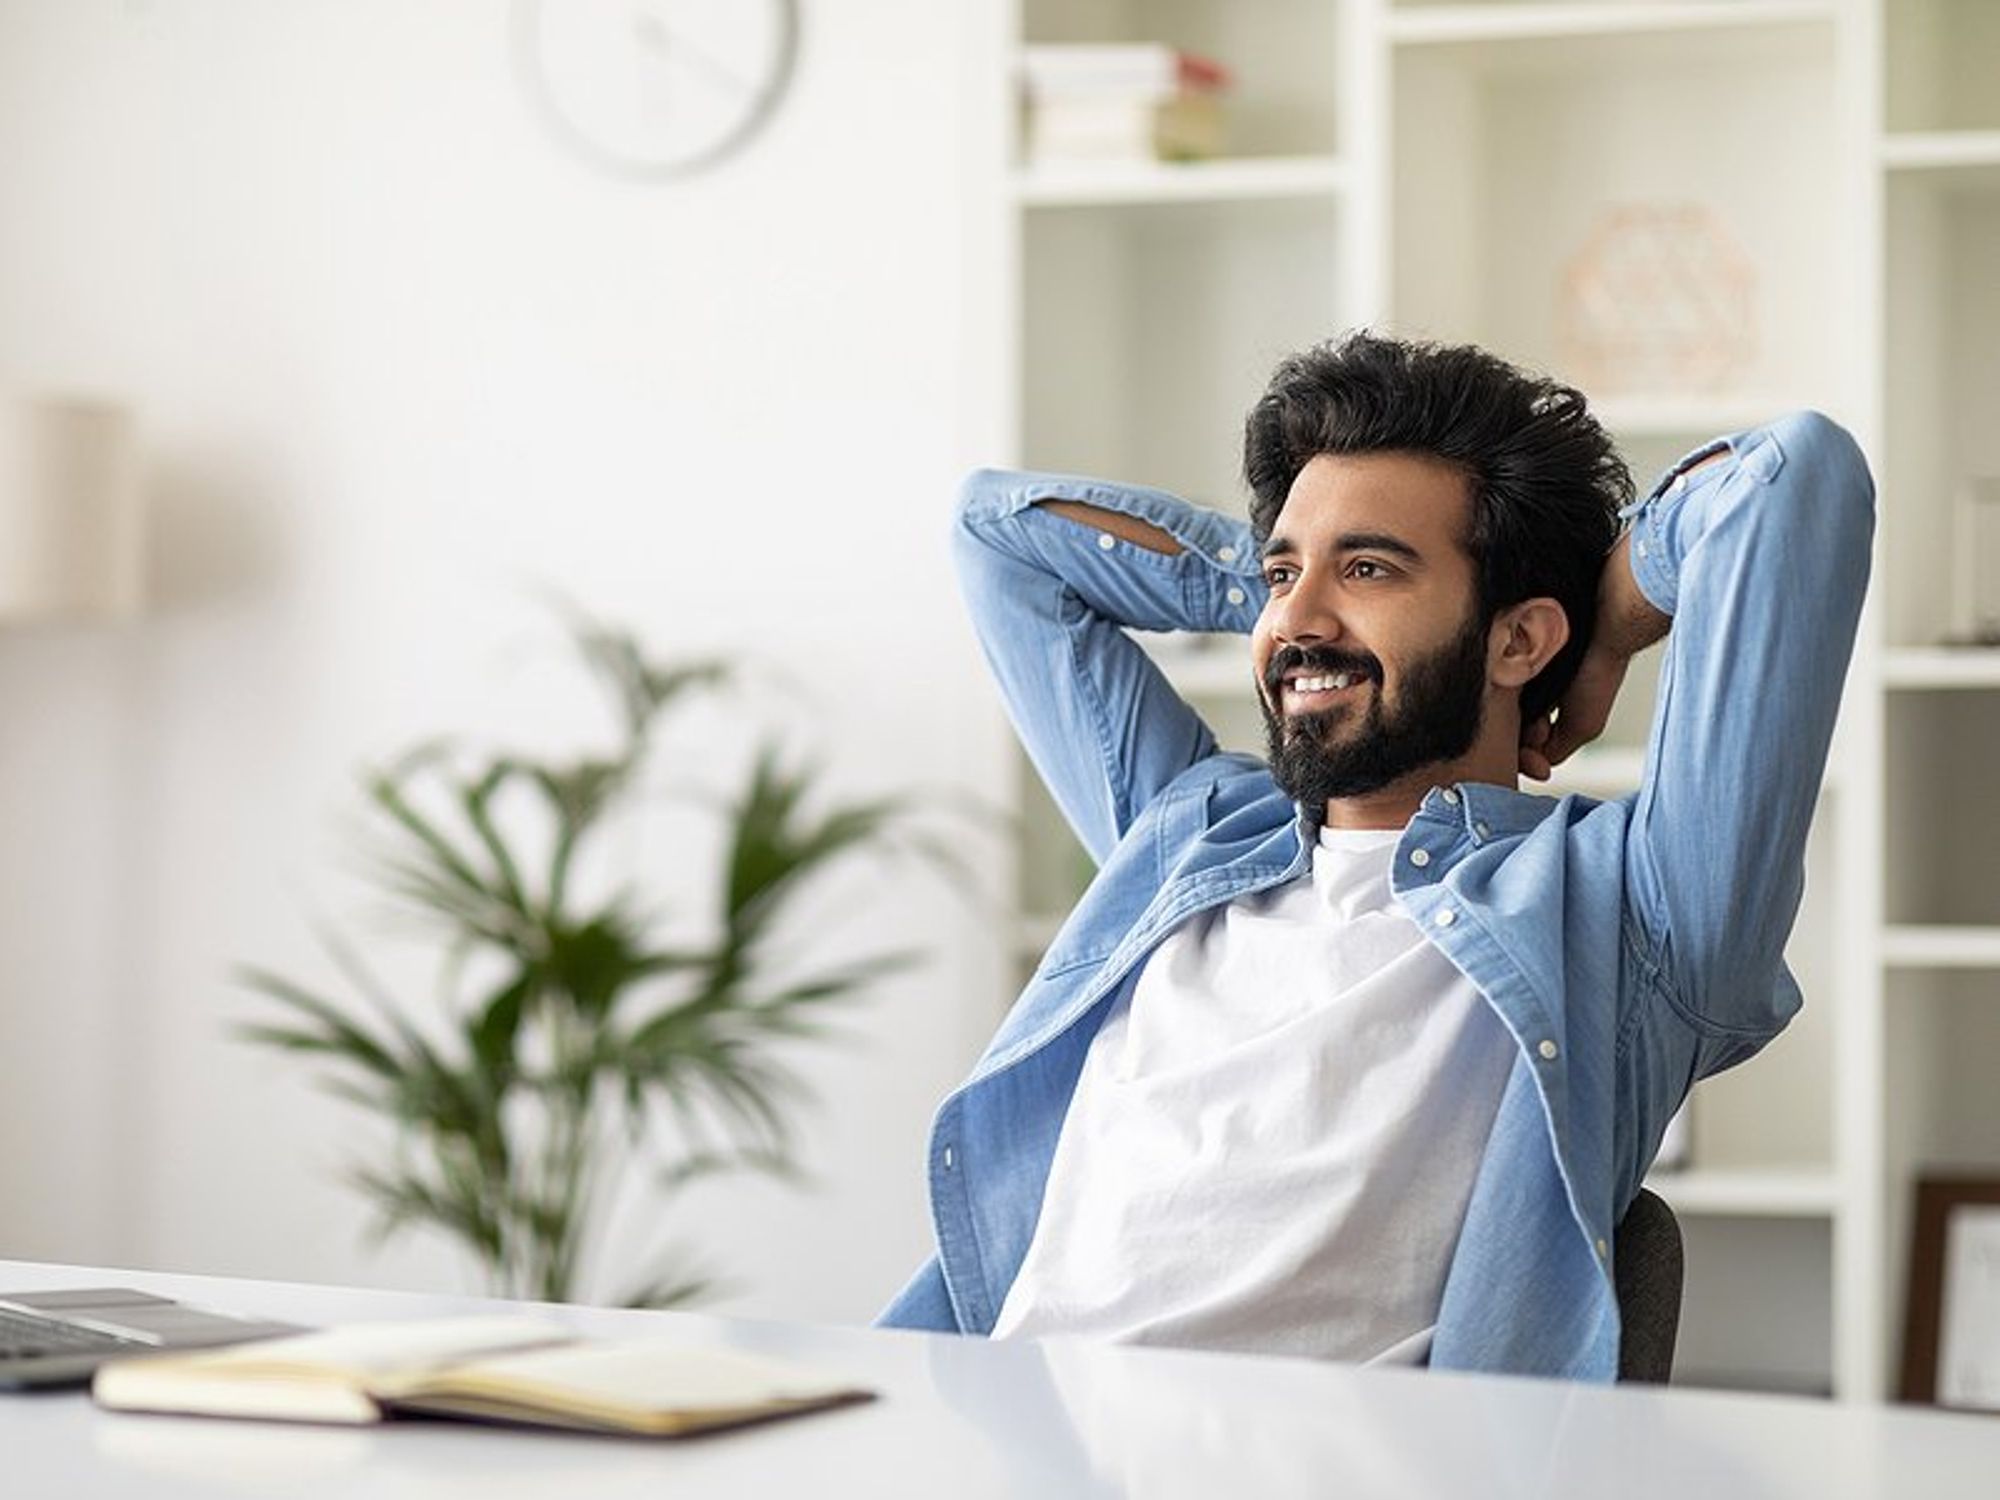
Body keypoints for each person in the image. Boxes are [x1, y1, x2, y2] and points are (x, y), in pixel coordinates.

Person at [879, 331, 1873, 1380]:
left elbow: (1790, 479)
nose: (1295, 620)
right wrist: (1279, 594)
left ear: (1517, 641)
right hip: (991, 1436)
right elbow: (994, 533)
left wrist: (1604, 619)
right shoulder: (1193, 833)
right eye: (1282, 573)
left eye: (1367, 568)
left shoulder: (1629, 913)